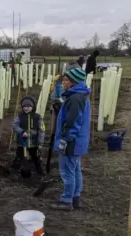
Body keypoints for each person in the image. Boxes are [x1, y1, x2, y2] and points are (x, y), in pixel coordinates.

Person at [50, 67, 91, 210]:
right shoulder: (79, 96)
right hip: (79, 142)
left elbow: (73, 122)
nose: (64, 82)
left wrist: (65, 139)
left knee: (67, 171)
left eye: (66, 80)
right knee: (75, 169)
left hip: (72, 141)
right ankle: (75, 197)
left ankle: (66, 201)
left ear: (73, 82)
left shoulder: (75, 99)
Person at [11, 96, 45, 178]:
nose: (26, 108)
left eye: (29, 106)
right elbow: (14, 125)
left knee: (36, 158)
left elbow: (41, 130)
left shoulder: (37, 117)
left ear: (33, 107)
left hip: (34, 143)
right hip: (22, 143)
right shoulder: (20, 116)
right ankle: (14, 172)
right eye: (24, 107)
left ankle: (40, 173)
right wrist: (21, 131)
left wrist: (40, 143)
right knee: (19, 157)